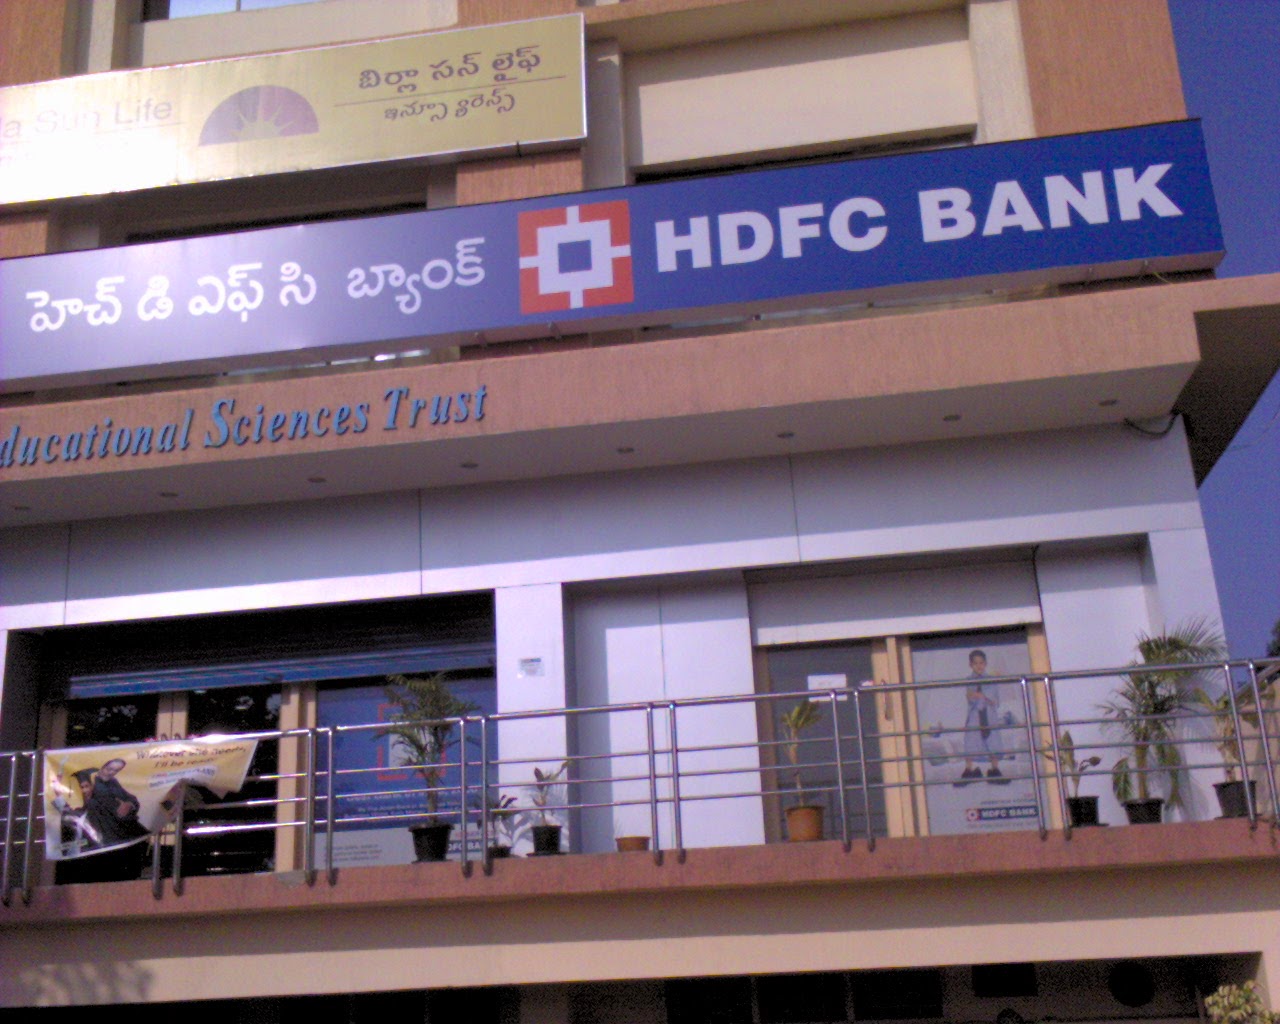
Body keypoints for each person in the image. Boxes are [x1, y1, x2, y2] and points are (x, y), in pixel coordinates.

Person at [954, 650, 1009, 785]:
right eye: (975, 663)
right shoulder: (969, 680)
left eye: (981, 663)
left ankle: (995, 770)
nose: (979, 666)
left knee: (992, 741)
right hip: (974, 716)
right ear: (971, 665)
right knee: (971, 741)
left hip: (988, 715)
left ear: (985, 664)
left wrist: (981, 695)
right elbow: (970, 696)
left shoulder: (991, 680)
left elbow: (993, 699)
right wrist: (978, 696)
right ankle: (969, 770)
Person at [83, 757, 150, 846]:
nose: (111, 773)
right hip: (109, 832)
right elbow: (115, 809)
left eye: (116, 771)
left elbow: (131, 798)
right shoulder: (92, 784)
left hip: (123, 828)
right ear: (102, 767)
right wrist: (127, 806)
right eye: (109, 769)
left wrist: (129, 804)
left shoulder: (113, 781)